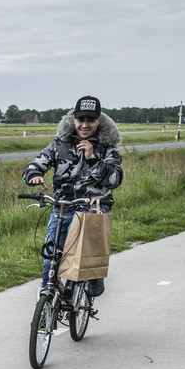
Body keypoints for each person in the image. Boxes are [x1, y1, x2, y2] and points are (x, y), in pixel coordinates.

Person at [22, 96, 124, 297]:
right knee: (51, 253)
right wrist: (34, 174)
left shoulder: (107, 147)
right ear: (73, 118)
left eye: (90, 120)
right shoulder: (60, 143)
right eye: (80, 120)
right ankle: (47, 295)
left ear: (98, 121)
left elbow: (115, 179)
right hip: (62, 205)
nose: (84, 125)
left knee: (85, 252)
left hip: (94, 206)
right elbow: (38, 162)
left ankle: (94, 275)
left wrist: (93, 157)